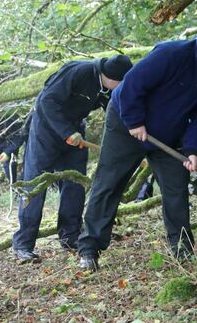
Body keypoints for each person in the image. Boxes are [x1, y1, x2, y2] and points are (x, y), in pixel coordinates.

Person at [76, 26, 197, 272]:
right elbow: (132, 87)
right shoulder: (170, 54)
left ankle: (182, 249)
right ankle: (89, 248)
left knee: (176, 189)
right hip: (127, 125)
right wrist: (135, 121)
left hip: (169, 139)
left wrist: (193, 149)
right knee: (109, 184)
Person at [11, 54, 133, 263]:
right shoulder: (79, 71)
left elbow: (116, 113)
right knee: (36, 184)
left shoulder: (109, 89)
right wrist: (65, 131)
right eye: (121, 83)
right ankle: (23, 244)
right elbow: (47, 101)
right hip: (46, 129)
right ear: (110, 77)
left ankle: (70, 236)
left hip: (75, 130)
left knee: (75, 182)